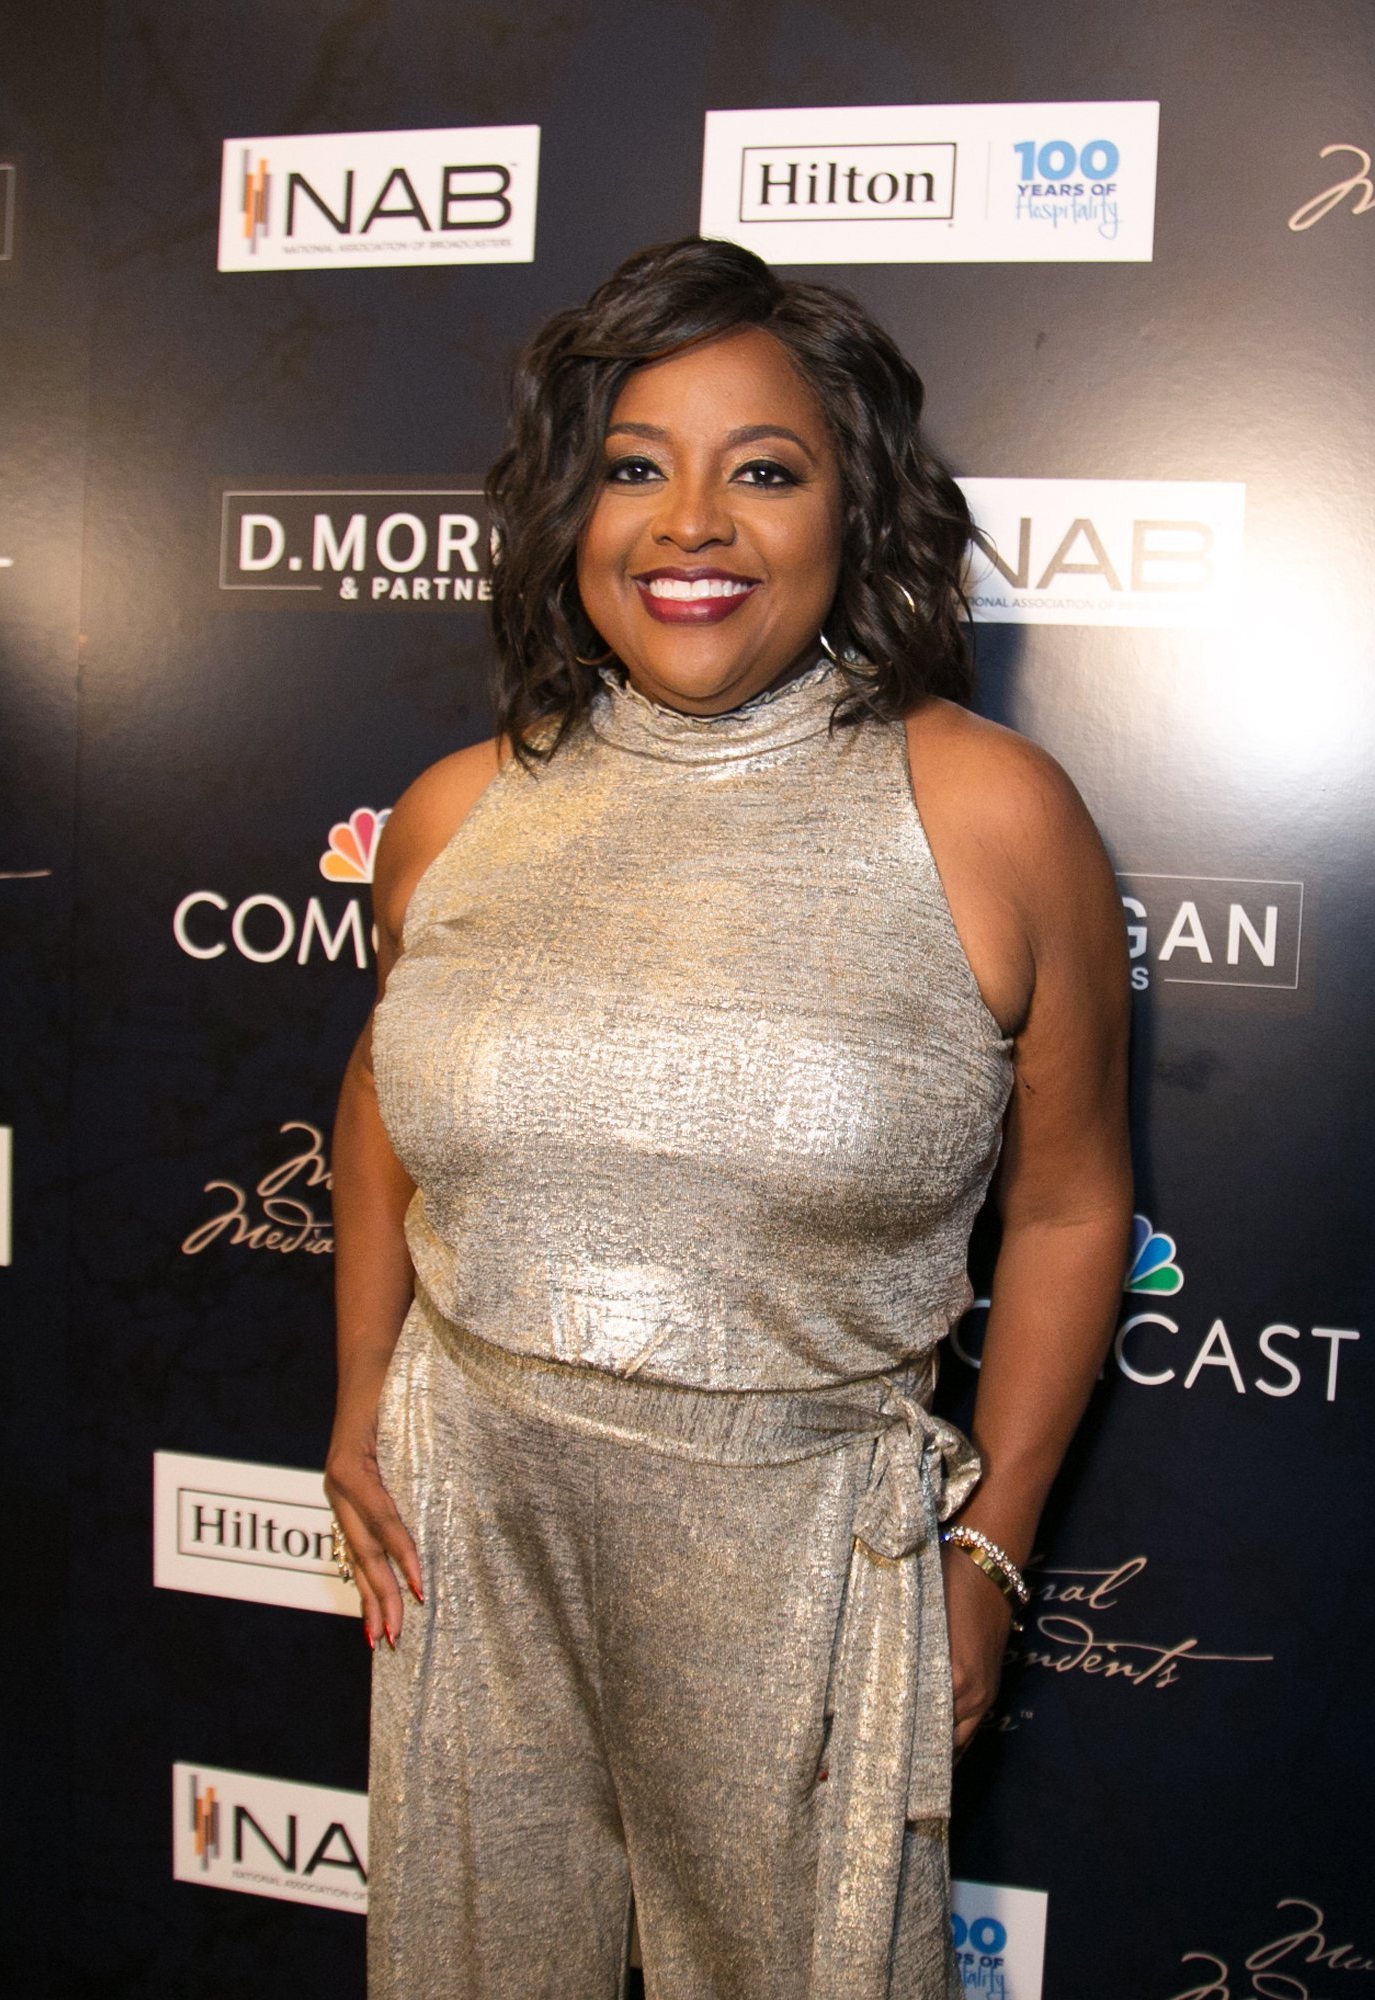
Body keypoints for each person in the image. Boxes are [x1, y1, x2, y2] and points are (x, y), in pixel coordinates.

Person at [320, 236, 1133, 2000]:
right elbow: (383, 1105)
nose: (691, 522)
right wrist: (359, 1410)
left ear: (856, 512)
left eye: (762, 470)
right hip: (477, 1535)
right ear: (570, 514)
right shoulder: (458, 812)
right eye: (634, 467)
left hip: (803, 1569)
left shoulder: (992, 815)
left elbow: (1071, 1210)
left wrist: (989, 1549)